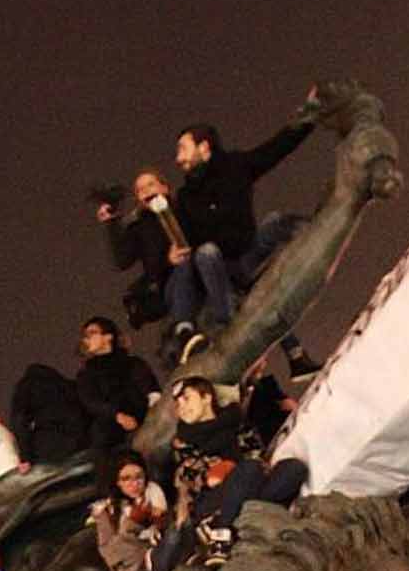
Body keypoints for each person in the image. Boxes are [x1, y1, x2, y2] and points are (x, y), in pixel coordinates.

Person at [136, 378, 307, 571]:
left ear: (206, 397)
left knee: (291, 468)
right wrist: (211, 474)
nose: (181, 406)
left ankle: (225, 527)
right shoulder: (182, 442)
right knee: (246, 470)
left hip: (246, 492)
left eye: (187, 398)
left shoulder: (238, 425)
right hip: (208, 504)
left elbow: (256, 457)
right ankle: (221, 533)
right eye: (177, 402)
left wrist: (235, 471)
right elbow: (187, 480)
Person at [173, 114, 322, 379]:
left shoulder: (235, 166)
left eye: (183, 149)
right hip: (220, 267)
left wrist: (307, 118)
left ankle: (321, 230)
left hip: (246, 250)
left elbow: (276, 149)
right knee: (207, 254)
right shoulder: (185, 197)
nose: (178, 158)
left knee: (275, 220)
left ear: (204, 147)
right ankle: (226, 319)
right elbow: (187, 243)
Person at [100, 170, 231, 361]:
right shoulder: (139, 228)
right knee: (183, 264)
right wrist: (112, 224)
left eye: (150, 184)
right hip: (170, 286)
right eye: (139, 190)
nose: (145, 191)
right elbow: (122, 261)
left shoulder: (186, 210)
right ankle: (183, 331)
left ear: (165, 187)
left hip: (205, 273)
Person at [75, 316, 161, 450]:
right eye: (85, 335)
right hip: (109, 431)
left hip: (145, 421)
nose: (86, 339)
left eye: (92, 333)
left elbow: (152, 392)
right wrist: (117, 416)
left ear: (108, 337)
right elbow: (90, 401)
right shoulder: (87, 373)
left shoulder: (133, 363)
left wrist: (152, 416)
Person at [91, 449, 171, 571]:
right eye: (126, 478)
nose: (134, 484)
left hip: (156, 555)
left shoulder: (153, 492)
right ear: (117, 482)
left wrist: (154, 518)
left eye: (139, 477)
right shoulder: (106, 510)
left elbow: (164, 529)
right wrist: (133, 523)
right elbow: (109, 552)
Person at [9, 361, 91, 465]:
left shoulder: (27, 386)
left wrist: (25, 457)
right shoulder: (67, 384)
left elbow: (19, 421)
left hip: (49, 450)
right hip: (81, 446)